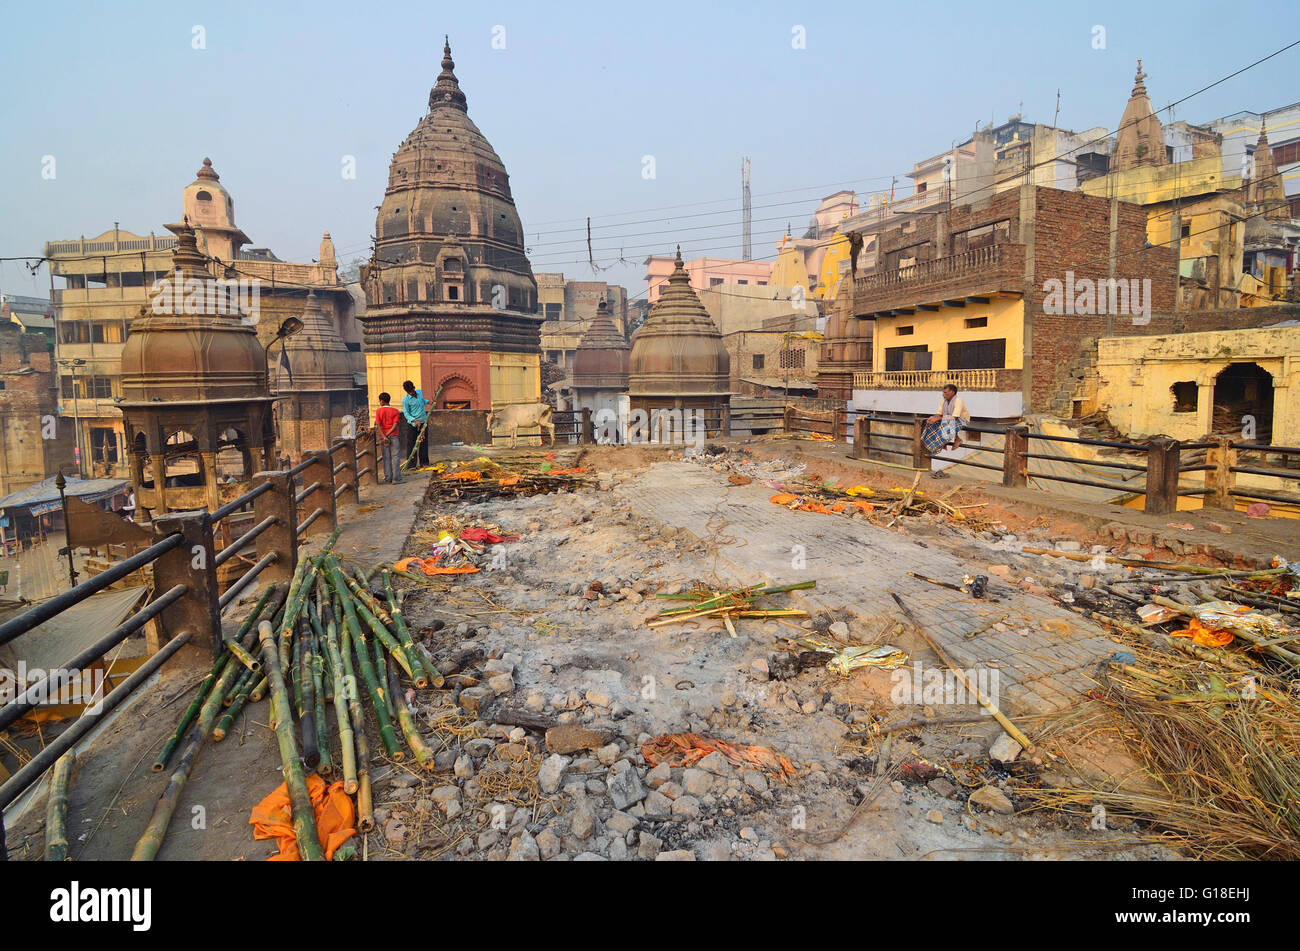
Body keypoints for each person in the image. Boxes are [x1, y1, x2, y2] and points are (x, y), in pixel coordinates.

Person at [923, 383, 970, 456]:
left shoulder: (958, 401)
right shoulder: (943, 401)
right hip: (949, 418)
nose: (943, 394)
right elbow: (939, 414)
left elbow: (955, 417)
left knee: (946, 424)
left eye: (945, 392)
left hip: (961, 420)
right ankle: (930, 444)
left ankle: (937, 447)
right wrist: (933, 418)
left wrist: (938, 418)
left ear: (952, 392)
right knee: (931, 423)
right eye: (943, 392)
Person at [400, 379, 432, 469]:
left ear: (414, 388)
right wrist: (414, 420)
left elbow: (422, 401)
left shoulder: (419, 392)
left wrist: (428, 402)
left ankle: (424, 462)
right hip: (413, 425)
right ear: (406, 392)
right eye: (409, 392)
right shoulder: (405, 400)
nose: (412, 393)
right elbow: (406, 413)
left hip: (423, 422)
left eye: (412, 391)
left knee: (423, 442)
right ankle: (411, 465)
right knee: (412, 444)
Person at [375, 392, 403, 484]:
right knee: (395, 457)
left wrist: (384, 436)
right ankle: (396, 478)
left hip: (383, 437)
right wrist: (388, 434)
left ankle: (388, 478)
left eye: (380, 401)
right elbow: (395, 425)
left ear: (382, 401)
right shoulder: (395, 411)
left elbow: (378, 425)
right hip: (394, 435)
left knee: (386, 457)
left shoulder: (378, 411)